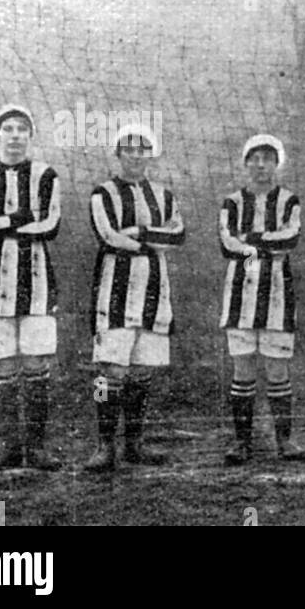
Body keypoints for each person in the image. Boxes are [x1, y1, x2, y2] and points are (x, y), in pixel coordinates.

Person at [0, 104, 63, 472]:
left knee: (36, 362)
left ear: (30, 135)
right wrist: (20, 218)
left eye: (23, 128)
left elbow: (51, 225)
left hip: (36, 280)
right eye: (9, 128)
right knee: (2, 364)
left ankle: (36, 449)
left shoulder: (46, 175)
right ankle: (9, 449)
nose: (16, 134)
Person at [83, 123, 185, 472]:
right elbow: (108, 236)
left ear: (150, 155)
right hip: (115, 286)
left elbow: (178, 236)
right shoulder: (103, 193)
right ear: (118, 154)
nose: (135, 156)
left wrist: (140, 233)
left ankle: (134, 444)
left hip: (154, 287)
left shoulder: (164, 195)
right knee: (109, 369)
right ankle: (104, 445)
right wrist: (149, 243)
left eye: (142, 150)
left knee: (142, 369)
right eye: (128, 149)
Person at [219, 134, 305, 465]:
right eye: (254, 158)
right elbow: (227, 244)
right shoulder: (232, 202)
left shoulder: (288, 200)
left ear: (276, 164)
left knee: (277, 368)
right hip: (240, 292)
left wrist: (252, 241)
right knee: (242, 370)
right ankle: (242, 443)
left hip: (277, 294)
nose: (260, 164)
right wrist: (261, 245)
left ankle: (285, 441)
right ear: (246, 163)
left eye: (267, 159)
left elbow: (291, 238)